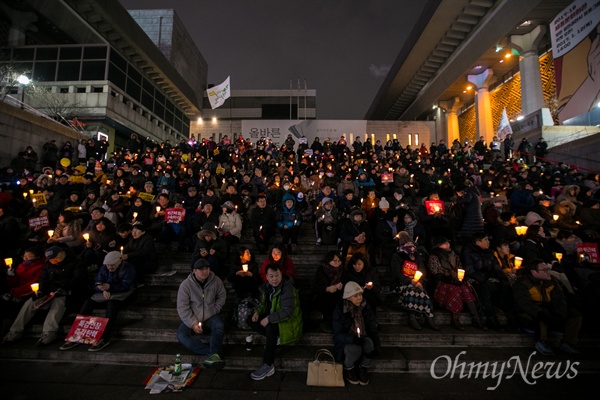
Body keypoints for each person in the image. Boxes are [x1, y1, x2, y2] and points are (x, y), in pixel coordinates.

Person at [2, 246, 86, 346]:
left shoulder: (77, 262)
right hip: (49, 290)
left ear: (62, 253)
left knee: (58, 303)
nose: (53, 261)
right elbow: (43, 279)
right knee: (31, 302)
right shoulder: (48, 264)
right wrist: (40, 291)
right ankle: (15, 331)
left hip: (66, 292)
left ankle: (49, 332)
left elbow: (78, 280)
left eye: (55, 258)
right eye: (50, 259)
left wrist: (63, 288)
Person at [60, 251, 137, 352]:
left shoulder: (129, 268)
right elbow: (97, 283)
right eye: (108, 265)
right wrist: (102, 288)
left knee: (112, 305)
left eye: (112, 265)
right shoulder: (104, 268)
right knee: (88, 302)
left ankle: (104, 337)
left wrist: (110, 288)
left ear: (120, 261)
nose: (110, 267)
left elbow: (126, 286)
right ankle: (77, 335)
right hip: (106, 294)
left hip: (123, 295)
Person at [513, 259, 582, 356]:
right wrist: (538, 312)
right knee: (542, 314)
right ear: (534, 272)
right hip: (530, 313)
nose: (548, 272)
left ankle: (568, 342)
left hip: (550, 309)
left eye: (548, 269)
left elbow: (560, 299)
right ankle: (542, 341)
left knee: (574, 314)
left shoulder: (552, 282)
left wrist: (559, 313)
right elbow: (524, 303)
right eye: (544, 270)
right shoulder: (523, 284)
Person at [248, 263, 303, 380]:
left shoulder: (287, 289)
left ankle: (268, 364)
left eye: (277, 275)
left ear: (281, 275)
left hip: (289, 323)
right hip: (275, 318)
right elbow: (264, 305)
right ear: (267, 277)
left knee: (270, 328)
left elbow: (287, 312)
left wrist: (268, 318)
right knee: (250, 319)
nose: (274, 279)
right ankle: (274, 338)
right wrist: (257, 312)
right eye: (271, 276)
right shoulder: (267, 287)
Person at [176, 258, 227, 369]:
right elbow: (182, 307)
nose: (205, 271)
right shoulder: (186, 285)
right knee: (181, 335)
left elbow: (222, 296)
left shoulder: (216, 280)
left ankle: (213, 354)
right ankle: (212, 354)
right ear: (194, 271)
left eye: (207, 268)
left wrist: (215, 309)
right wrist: (193, 323)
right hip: (193, 316)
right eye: (201, 269)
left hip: (210, 315)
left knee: (219, 325)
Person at [427, 236, 483, 330]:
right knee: (455, 289)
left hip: (455, 280)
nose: (448, 245)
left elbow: (460, 268)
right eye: (444, 244)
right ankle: (455, 317)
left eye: (448, 243)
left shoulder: (454, 256)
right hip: (442, 283)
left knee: (465, 288)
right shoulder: (434, 257)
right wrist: (450, 277)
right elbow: (436, 273)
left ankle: (476, 317)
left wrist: (459, 276)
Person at [332, 281, 380, 386]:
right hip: (347, 340)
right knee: (355, 348)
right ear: (348, 298)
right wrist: (352, 339)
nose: (359, 298)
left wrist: (377, 346)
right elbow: (337, 334)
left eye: (360, 294)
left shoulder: (365, 307)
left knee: (369, 345)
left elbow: (372, 327)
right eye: (355, 296)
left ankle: (363, 368)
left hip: (363, 336)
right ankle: (349, 368)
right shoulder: (341, 309)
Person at [390, 231, 438, 330]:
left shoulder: (417, 256)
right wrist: (409, 281)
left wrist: (420, 281)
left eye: (412, 244)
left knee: (422, 291)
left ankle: (428, 316)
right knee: (411, 290)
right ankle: (411, 315)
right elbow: (396, 273)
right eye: (408, 244)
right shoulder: (397, 256)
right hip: (402, 283)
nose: (411, 246)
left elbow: (422, 269)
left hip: (416, 282)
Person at [312, 251, 344, 333]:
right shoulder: (321, 270)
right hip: (323, 295)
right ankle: (327, 322)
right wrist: (327, 288)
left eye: (339, 261)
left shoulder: (342, 271)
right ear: (329, 261)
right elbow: (316, 287)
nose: (337, 263)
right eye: (335, 260)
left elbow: (346, 282)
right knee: (327, 299)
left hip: (338, 294)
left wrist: (341, 286)